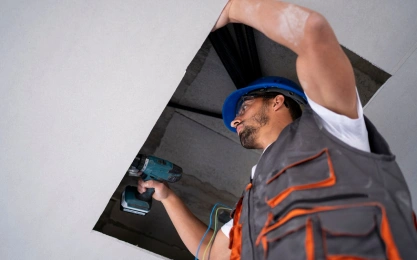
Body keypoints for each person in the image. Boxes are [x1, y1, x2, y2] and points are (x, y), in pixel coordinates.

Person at [138, 0, 417, 259]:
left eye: (243, 106)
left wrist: (233, 9)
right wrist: (168, 196)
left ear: (277, 102)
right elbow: (211, 255)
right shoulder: (253, 199)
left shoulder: (332, 131)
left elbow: (314, 37)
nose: (235, 121)